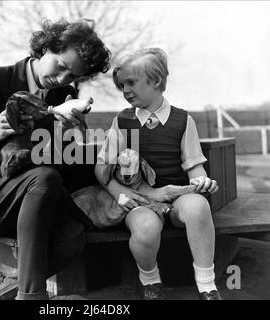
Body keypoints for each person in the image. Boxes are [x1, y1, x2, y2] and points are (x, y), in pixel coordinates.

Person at [0, 19, 111, 300]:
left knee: (74, 233)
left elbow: (49, 158)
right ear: (45, 48)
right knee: (45, 179)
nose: (62, 79)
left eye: (72, 76)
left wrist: (64, 137)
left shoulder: (62, 95)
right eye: (61, 66)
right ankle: (31, 296)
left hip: (32, 196)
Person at [94, 48, 221, 300]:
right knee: (145, 227)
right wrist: (119, 192)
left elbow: (194, 167)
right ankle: (150, 279)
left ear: (156, 81)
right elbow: (101, 169)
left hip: (176, 199)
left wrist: (201, 180)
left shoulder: (183, 121)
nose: (125, 90)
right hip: (141, 199)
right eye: (122, 85)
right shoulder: (123, 122)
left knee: (198, 207)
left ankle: (207, 284)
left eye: (131, 82)